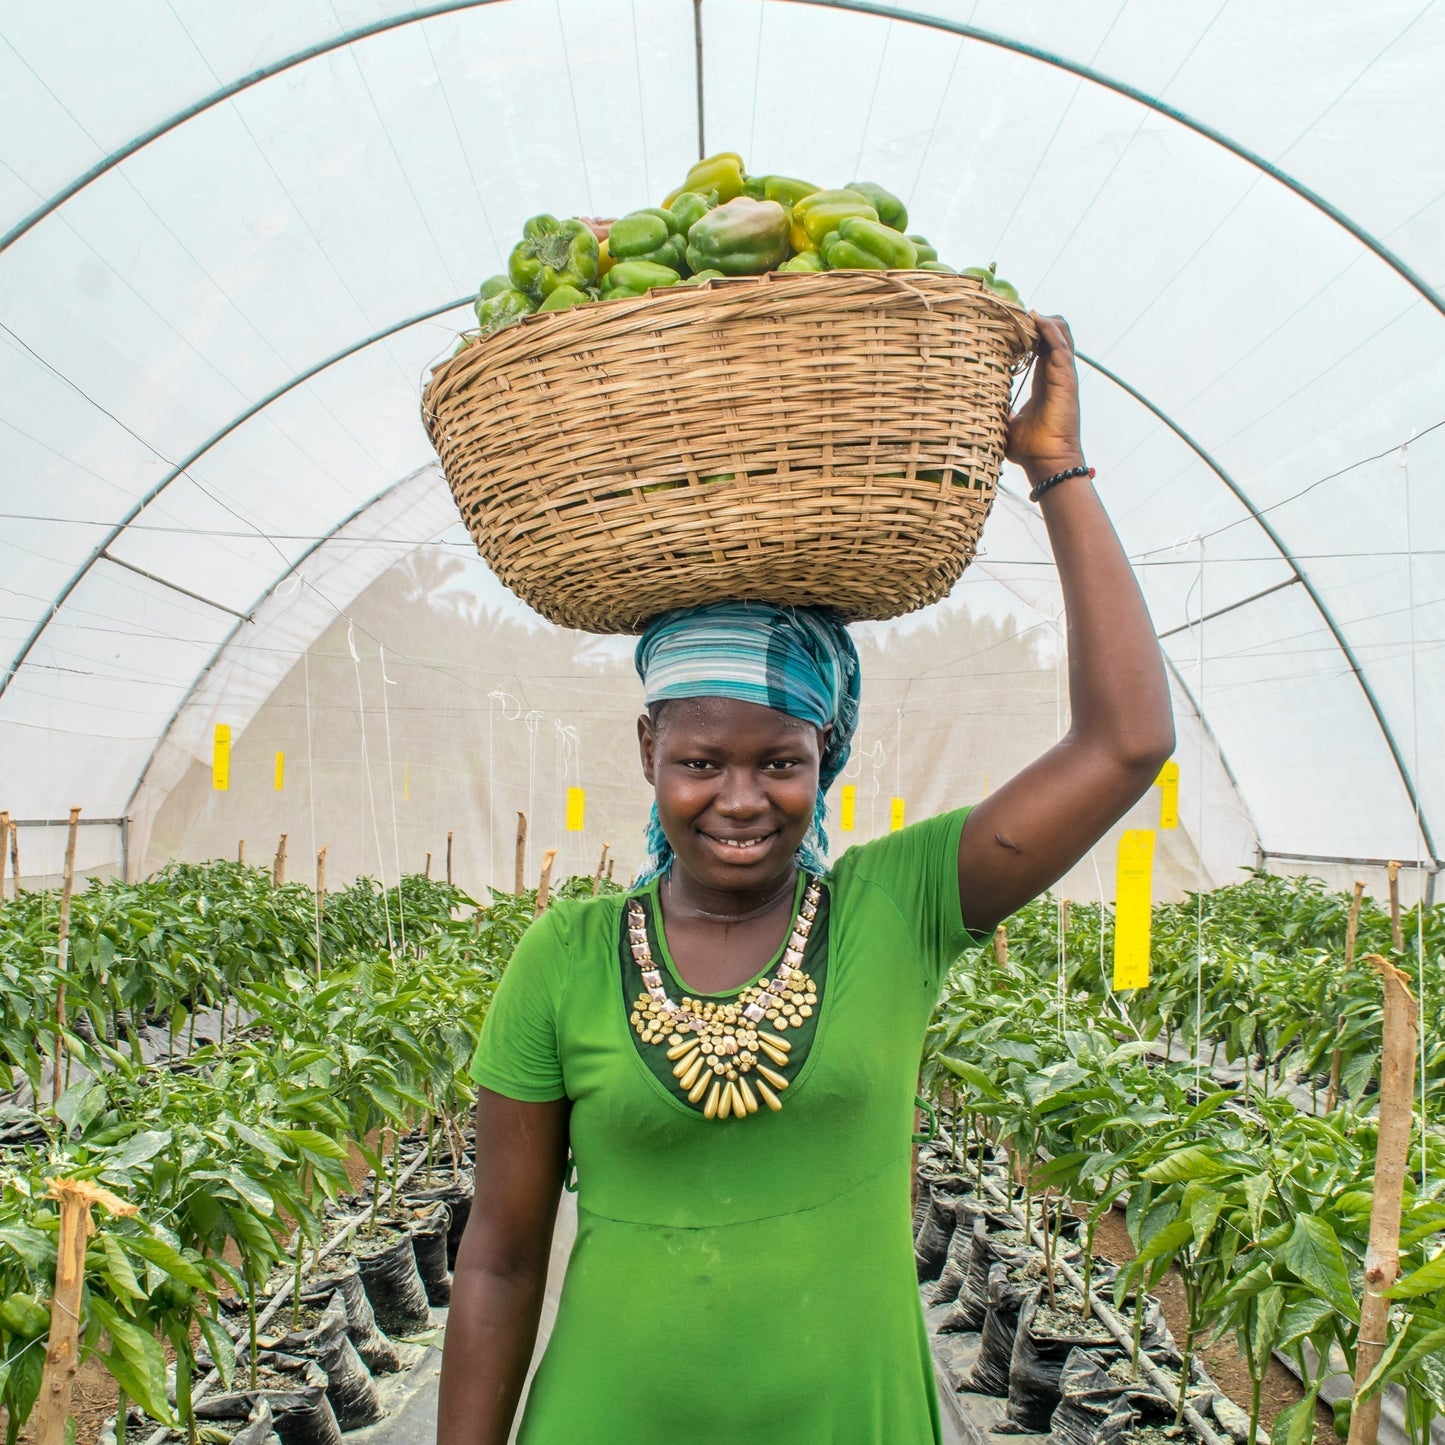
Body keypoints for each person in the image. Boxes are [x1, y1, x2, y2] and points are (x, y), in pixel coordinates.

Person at [437, 315, 1174, 1444]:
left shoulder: (899, 904)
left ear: (826, 756)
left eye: (778, 760)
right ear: (648, 754)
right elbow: (495, 1257)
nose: (738, 798)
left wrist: (1055, 469)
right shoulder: (567, 955)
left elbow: (1123, 741)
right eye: (699, 762)